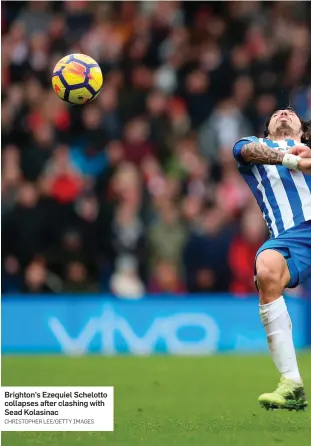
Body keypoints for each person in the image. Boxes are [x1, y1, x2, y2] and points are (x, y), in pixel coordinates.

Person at [232, 107, 311, 411]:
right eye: (277, 114)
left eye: (290, 113)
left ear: (303, 130)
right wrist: (293, 160)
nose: (283, 114)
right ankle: (291, 383)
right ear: (265, 131)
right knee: (266, 268)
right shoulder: (254, 147)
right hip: (291, 237)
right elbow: (245, 150)